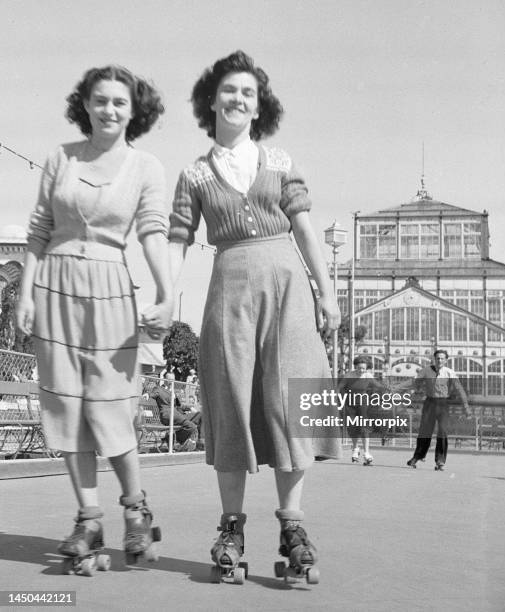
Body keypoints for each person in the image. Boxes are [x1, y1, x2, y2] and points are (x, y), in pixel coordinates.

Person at [169, 50, 341, 580]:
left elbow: (306, 232)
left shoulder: (282, 162)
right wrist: (158, 294)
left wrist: (327, 293)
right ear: (211, 100)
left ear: (259, 104)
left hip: (288, 287)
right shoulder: (195, 174)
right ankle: (231, 529)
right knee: (231, 400)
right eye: (229, 90)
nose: (238, 98)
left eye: (248, 92)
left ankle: (292, 527)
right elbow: (177, 241)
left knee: (289, 399)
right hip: (230, 294)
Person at [16, 64, 173, 564]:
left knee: (110, 406)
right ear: (84, 104)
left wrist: (168, 292)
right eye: (100, 100)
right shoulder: (59, 158)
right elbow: (38, 230)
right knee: (65, 406)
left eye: (119, 103)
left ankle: (135, 510)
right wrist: (25, 293)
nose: (109, 110)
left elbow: (152, 230)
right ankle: (88, 519)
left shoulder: (145, 166)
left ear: (134, 111)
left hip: (110, 291)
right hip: (55, 289)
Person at [406, 349, 470, 471]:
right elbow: (413, 383)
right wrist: (396, 389)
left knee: (442, 432)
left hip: (443, 404)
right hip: (430, 403)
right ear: (434, 359)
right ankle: (417, 457)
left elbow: (460, 390)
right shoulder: (426, 371)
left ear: (446, 360)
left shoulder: (449, 372)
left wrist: (466, 408)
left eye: (442, 358)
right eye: (437, 358)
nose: (439, 360)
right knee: (424, 432)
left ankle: (440, 461)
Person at [338, 356, 387, 465]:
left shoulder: (368, 376)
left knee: (364, 427)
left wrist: (387, 389)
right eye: (359, 368)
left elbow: (378, 386)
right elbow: (340, 387)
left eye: (364, 368)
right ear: (355, 367)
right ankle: (355, 449)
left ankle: (366, 453)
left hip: (363, 403)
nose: (361, 370)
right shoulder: (349, 376)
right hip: (350, 403)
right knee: (352, 426)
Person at [149, 380, 201, 450]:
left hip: (177, 414)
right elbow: (153, 393)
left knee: (199, 415)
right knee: (192, 426)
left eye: (172, 380)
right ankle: (178, 440)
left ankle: (198, 442)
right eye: (169, 379)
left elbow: (179, 406)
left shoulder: (172, 391)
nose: (171, 382)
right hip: (169, 414)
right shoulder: (159, 388)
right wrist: (147, 394)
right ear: (166, 380)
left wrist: (190, 408)